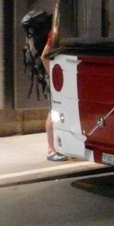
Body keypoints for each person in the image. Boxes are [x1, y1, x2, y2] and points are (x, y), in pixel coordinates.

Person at [41, 27, 67, 162]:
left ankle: (60, 147)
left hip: (61, 77)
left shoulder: (65, 31)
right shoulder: (55, 33)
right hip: (56, 79)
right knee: (53, 112)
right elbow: (44, 56)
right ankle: (51, 150)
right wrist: (53, 76)